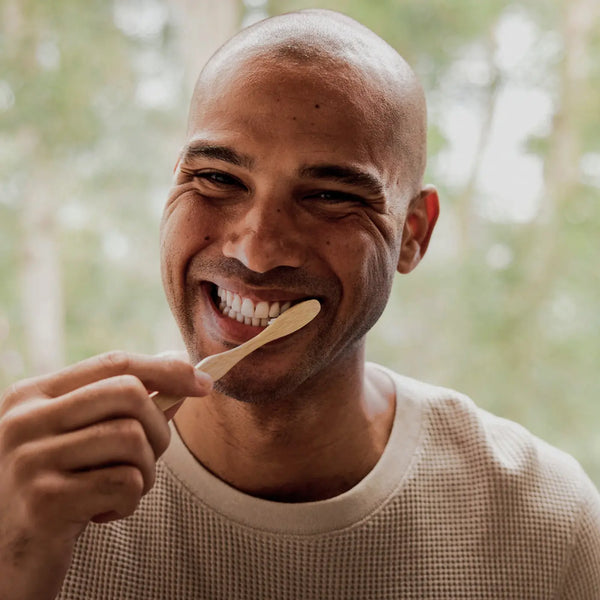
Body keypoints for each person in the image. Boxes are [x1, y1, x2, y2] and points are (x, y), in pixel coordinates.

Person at [1, 8, 599, 599]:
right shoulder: (27, 495)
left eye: (328, 195)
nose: (258, 252)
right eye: (217, 178)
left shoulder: (549, 524)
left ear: (413, 233)